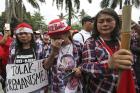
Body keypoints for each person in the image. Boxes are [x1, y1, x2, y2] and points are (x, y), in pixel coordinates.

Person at [80, 8, 139, 93]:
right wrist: (108, 64)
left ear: (116, 22)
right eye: (101, 21)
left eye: (109, 20)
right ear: (96, 24)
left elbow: (132, 63)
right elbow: (85, 67)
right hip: (101, 89)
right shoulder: (91, 42)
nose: (105, 24)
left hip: (125, 86)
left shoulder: (122, 40)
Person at [43, 19, 83, 93]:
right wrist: (54, 52)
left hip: (75, 87)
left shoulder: (78, 45)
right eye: (53, 37)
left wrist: (80, 69)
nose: (56, 39)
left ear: (67, 33)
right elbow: (46, 66)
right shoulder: (50, 47)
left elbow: (85, 62)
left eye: (58, 36)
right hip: (57, 87)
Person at [8, 22, 46, 93]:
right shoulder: (12, 47)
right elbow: (10, 65)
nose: (23, 36)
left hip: (36, 86)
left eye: (26, 33)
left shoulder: (39, 46)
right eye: (20, 34)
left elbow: (44, 67)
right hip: (19, 86)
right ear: (17, 36)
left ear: (31, 35)